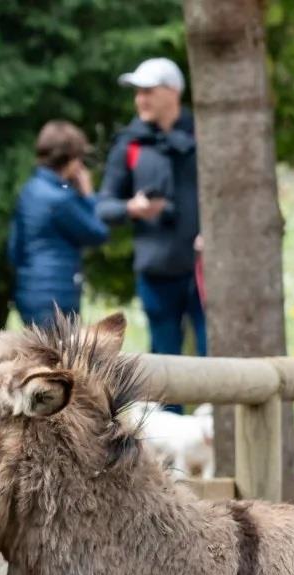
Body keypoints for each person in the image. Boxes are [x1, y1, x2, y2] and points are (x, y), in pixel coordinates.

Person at [97, 56, 205, 359]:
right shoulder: (129, 145)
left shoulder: (205, 135)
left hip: (204, 266)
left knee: (215, 349)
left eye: (148, 91)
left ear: (173, 92)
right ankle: (170, 410)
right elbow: (103, 206)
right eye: (137, 92)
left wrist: (214, 233)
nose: (140, 99)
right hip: (156, 269)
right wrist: (132, 208)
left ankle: (218, 409)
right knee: (165, 358)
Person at [6, 121, 109, 326]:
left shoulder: (29, 191)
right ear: (72, 160)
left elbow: (14, 249)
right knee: (59, 355)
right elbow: (97, 232)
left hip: (29, 291)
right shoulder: (61, 199)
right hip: (58, 294)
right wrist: (88, 195)